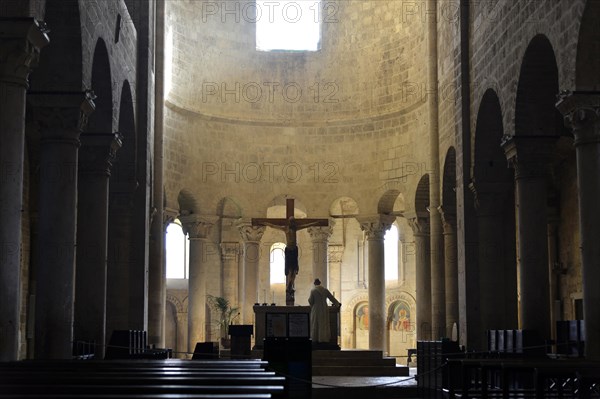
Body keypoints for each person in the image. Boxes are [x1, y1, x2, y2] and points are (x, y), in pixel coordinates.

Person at [308, 278, 340, 343]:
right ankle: (323, 339)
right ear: (320, 283)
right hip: (324, 308)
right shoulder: (325, 290)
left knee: (316, 323)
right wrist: (337, 304)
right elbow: (332, 298)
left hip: (316, 309)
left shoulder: (313, 290)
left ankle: (316, 338)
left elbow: (311, 301)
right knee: (324, 324)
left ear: (315, 283)